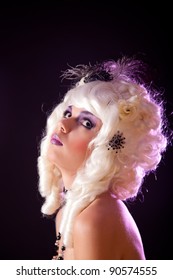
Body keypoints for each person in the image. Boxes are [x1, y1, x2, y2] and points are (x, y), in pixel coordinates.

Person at [37, 55, 169, 260]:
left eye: (86, 123)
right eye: (68, 113)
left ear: (108, 147)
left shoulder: (93, 218)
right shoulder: (68, 214)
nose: (64, 124)